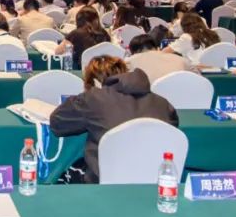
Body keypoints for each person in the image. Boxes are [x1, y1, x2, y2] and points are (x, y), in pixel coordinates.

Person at [49, 56, 179, 183]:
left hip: (102, 183)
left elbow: (57, 123)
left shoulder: (92, 98)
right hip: (159, 182)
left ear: (94, 83)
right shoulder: (163, 103)